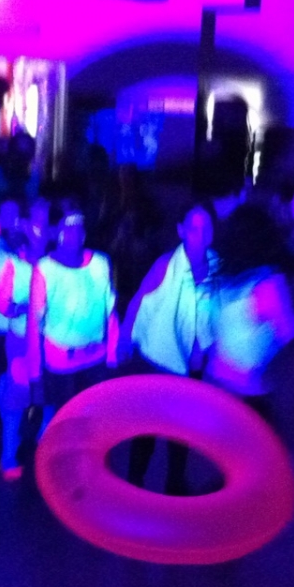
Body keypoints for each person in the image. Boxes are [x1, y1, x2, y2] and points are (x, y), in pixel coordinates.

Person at [119, 202, 216, 495]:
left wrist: (204, 348)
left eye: (206, 226)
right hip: (159, 358)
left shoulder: (216, 265)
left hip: (191, 362)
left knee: (182, 429)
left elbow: (211, 313)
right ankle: (134, 484)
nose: (201, 232)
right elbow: (139, 299)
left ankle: (175, 484)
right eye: (194, 227)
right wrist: (125, 337)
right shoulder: (166, 264)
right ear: (181, 231)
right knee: (146, 426)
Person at [27, 200, 119, 438]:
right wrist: (35, 375)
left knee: (94, 423)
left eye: (79, 225)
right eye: (68, 226)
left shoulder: (101, 263)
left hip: (96, 360)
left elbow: (110, 312)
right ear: (56, 232)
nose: (74, 231)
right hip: (61, 362)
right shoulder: (44, 269)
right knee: (66, 423)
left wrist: (112, 356)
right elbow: (34, 325)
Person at [205, 202, 294, 421]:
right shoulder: (267, 285)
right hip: (246, 392)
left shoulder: (220, 276)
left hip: (215, 381)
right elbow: (289, 332)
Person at [0, 197, 35, 480]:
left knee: (15, 382)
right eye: (6, 213)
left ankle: (12, 438)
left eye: (16, 213)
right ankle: (9, 441)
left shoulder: (35, 251)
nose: (12, 219)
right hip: (5, 328)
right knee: (8, 379)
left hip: (24, 331)